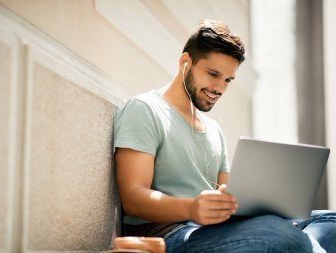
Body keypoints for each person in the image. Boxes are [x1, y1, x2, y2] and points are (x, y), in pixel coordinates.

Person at [113, 19, 336, 253]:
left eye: (228, 80)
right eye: (213, 74)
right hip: (173, 235)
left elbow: (228, 193)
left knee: (330, 222)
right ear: (185, 62)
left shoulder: (213, 129)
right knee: (279, 234)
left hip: (219, 230)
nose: (220, 88)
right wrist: (192, 208)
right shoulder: (144, 109)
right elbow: (133, 198)